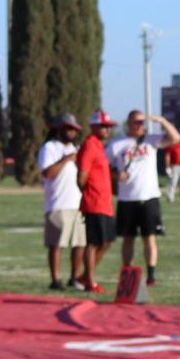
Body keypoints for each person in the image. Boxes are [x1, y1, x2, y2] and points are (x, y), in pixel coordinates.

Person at [107, 110, 180, 286]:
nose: (139, 126)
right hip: (127, 198)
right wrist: (116, 175)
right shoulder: (116, 144)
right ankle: (128, 273)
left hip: (149, 197)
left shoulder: (151, 140)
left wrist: (161, 121)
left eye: (142, 122)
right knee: (128, 238)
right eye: (136, 122)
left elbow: (176, 138)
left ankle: (151, 275)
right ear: (128, 124)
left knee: (149, 237)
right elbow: (104, 165)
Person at [38, 113, 85, 290]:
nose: (73, 132)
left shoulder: (75, 148)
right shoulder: (49, 148)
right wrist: (66, 159)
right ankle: (55, 280)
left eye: (75, 129)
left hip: (78, 203)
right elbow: (47, 173)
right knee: (57, 244)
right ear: (59, 129)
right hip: (58, 203)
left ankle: (74, 278)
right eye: (69, 129)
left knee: (79, 243)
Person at [78, 111, 116, 291]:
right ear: (93, 127)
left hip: (105, 202)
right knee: (93, 243)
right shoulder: (89, 145)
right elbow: (82, 176)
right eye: (103, 126)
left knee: (107, 241)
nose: (107, 130)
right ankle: (90, 282)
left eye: (109, 127)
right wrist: (89, 193)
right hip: (94, 202)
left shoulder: (99, 146)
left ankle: (85, 276)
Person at [163, 134, 180, 203]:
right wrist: (167, 167)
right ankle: (170, 198)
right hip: (175, 166)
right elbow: (167, 156)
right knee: (173, 183)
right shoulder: (172, 146)